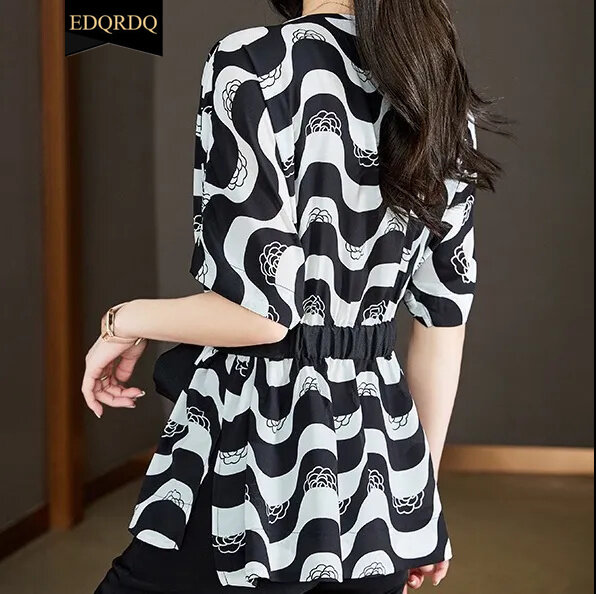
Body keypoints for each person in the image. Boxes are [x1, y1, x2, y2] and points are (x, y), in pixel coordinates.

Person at [87, 1, 504, 592]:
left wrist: (124, 320)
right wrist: (415, 506)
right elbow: (442, 325)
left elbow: (259, 316)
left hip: (252, 445)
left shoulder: (252, 64)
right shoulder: (441, 95)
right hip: (377, 471)